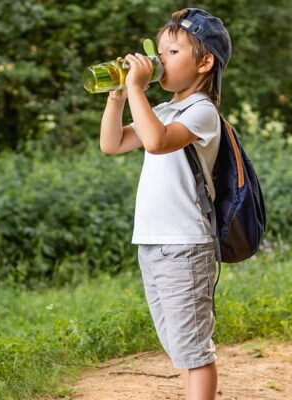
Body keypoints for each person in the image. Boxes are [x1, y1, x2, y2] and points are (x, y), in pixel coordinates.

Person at [98, 7, 232, 400]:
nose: (158, 61)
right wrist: (119, 94)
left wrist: (138, 89)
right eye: (158, 52)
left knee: (194, 350)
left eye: (171, 53)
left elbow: (157, 142)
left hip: (186, 244)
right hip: (154, 241)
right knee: (178, 346)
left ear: (204, 62)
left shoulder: (203, 112)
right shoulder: (163, 109)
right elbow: (113, 143)